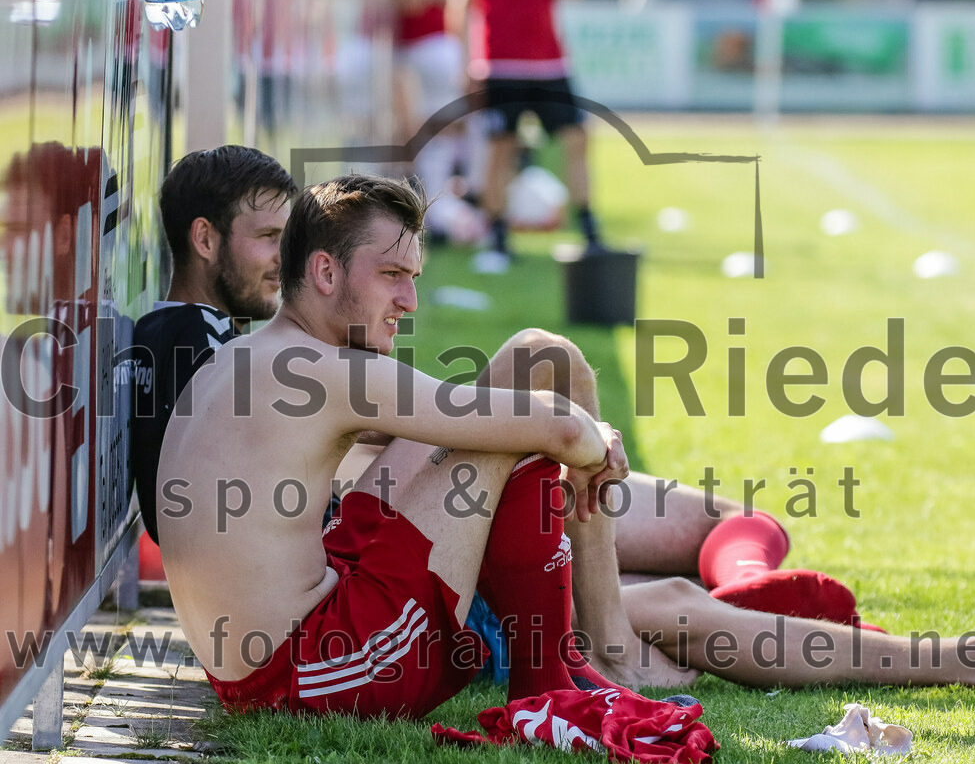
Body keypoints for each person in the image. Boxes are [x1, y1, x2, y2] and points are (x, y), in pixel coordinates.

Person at [156, 173, 663, 717]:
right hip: (308, 671)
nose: (411, 301)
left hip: (287, 640)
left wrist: (575, 435)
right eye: (392, 275)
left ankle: (604, 651)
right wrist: (598, 447)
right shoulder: (328, 371)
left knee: (537, 357)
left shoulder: (248, 354)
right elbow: (556, 431)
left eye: (413, 277)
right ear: (325, 271)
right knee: (511, 435)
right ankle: (547, 685)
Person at [132, 145, 297, 545]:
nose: (285, 258)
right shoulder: (201, 338)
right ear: (205, 239)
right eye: (269, 237)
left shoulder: (165, 330)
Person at [463, 0, 611, 259]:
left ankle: (589, 228)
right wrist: (467, 63)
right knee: (501, 148)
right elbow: (463, 4)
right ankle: (497, 235)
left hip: (548, 61)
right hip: (500, 63)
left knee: (578, 138)